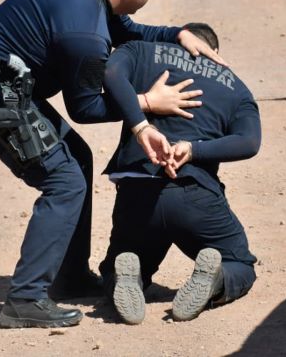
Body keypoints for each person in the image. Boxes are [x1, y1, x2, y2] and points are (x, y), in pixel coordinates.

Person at [0, 0, 223, 329]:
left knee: (78, 160)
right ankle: (25, 299)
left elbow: (126, 28)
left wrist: (176, 33)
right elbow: (87, 109)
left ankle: (70, 275)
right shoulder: (85, 34)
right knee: (63, 180)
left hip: (1, 86)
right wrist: (148, 102)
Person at [98, 23, 261, 324]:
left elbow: (111, 72)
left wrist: (142, 119)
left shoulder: (140, 51)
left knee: (118, 265)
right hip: (194, 194)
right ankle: (217, 279)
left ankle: (127, 276)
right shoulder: (236, 88)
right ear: (214, 52)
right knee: (239, 263)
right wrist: (194, 149)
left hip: (136, 193)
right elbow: (249, 142)